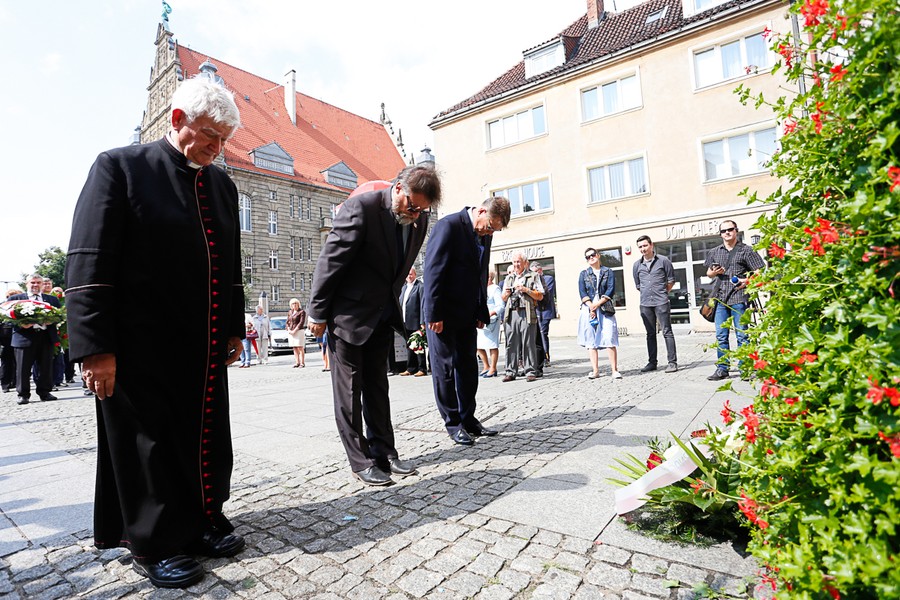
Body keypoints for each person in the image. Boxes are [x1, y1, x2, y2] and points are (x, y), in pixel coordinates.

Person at [65, 77, 246, 589]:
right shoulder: (119, 168)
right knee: (149, 444)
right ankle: (157, 541)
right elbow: (89, 261)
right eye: (208, 136)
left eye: (222, 141)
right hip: (138, 345)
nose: (215, 149)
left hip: (203, 341)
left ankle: (203, 518)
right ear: (176, 120)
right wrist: (95, 346)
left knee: (204, 436)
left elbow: (229, 263)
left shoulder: (222, 185)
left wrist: (233, 324)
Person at [308, 165, 441, 486]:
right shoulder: (361, 208)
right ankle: (360, 459)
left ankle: (385, 451)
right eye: (412, 206)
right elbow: (331, 261)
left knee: (378, 388)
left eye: (423, 209)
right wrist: (317, 314)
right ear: (398, 188)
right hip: (348, 317)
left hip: (381, 315)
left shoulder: (418, 219)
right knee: (349, 392)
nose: (416, 214)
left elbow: (399, 267)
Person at [423, 197, 510, 445]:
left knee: (468, 368)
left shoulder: (485, 234)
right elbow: (433, 271)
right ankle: (453, 424)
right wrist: (433, 313)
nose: (490, 231)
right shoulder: (448, 226)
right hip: (443, 313)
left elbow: (480, 273)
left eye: (494, 229)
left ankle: (468, 419)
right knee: (445, 369)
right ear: (481, 210)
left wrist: (481, 309)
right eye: (490, 226)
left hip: (467, 313)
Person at [703, 220, 766, 381]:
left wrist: (747, 281)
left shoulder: (746, 250)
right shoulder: (714, 251)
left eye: (730, 230)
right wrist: (714, 272)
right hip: (720, 299)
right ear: (720, 234)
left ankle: (744, 368)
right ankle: (722, 369)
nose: (727, 233)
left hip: (739, 296)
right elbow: (708, 273)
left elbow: (759, 272)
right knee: (721, 335)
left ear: (736, 231)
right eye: (723, 231)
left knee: (742, 335)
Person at [8, 274, 61, 405]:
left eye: (38, 282)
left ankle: (45, 392)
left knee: (45, 366)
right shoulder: (16, 299)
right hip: (24, 337)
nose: (35, 285)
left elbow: (60, 316)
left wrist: (53, 321)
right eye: (32, 282)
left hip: (45, 337)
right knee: (23, 368)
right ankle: (23, 394)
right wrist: (19, 324)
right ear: (26, 284)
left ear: (42, 284)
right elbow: (6, 319)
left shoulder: (52, 300)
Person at [632, 235, 678, 373]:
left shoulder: (664, 261)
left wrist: (663, 293)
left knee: (667, 332)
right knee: (650, 334)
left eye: (645, 246)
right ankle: (652, 363)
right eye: (640, 247)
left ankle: (672, 363)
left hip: (661, 302)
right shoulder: (636, 265)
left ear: (651, 245)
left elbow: (671, 280)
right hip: (645, 303)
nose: (643, 249)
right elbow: (638, 285)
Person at [577, 248, 622, 379]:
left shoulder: (608, 272)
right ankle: (595, 370)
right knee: (590, 339)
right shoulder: (583, 273)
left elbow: (610, 290)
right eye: (587, 257)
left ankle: (614, 370)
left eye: (592, 255)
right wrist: (591, 306)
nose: (590, 258)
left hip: (604, 307)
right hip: (588, 308)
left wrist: (597, 304)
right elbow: (582, 292)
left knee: (609, 336)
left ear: (598, 255)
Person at [501, 252, 544, 382]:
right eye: (514, 262)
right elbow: (503, 298)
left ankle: (530, 371)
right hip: (511, 312)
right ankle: (510, 371)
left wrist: (526, 290)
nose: (516, 265)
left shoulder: (533, 276)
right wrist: (507, 293)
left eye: (518, 262)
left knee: (528, 342)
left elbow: (540, 296)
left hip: (526, 312)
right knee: (510, 343)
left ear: (525, 263)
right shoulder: (509, 278)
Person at [476, 271, 504, 378]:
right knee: (478, 345)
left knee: (492, 344)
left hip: (491, 320)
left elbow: (500, 305)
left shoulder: (495, 288)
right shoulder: (480, 288)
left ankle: (493, 368)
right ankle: (486, 366)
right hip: (480, 319)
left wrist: (491, 313)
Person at [399, 268, 426, 377]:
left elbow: (422, 305)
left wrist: (422, 321)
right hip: (406, 321)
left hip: (416, 321)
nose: (409, 276)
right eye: (407, 275)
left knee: (419, 346)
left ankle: (422, 368)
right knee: (409, 346)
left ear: (415, 274)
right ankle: (411, 368)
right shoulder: (404, 287)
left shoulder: (420, 287)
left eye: (411, 274)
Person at [530, 261, 556, 368]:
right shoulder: (532, 280)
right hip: (535, 311)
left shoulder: (548, 279)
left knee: (543, 333)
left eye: (536, 272)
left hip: (545, 311)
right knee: (536, 335)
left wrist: (532, 293)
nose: (534, 275)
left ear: (540, 270)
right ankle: (538, 357)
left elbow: (544, 294)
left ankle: (546, 357)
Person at [0, 289, 21, 394]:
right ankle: (5, 383)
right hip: (5, 337)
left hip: (18, 336)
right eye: (10, 296)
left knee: (18, 362)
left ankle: (16, 382)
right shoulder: (2, 306)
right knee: (6, 361)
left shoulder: (23, 307)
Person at [286, 298, 307, 368]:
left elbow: (301, 322)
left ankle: (302, 362)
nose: (294, 305)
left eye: (295, 303)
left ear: (298, 304)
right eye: (293, 304)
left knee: (300, 347)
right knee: (294, 347)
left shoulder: (302, 312)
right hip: (291, 332)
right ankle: (297, 362)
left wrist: (295, 330)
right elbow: (287, 322)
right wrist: (289, 329)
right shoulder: (290, 312)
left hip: (299, 331)